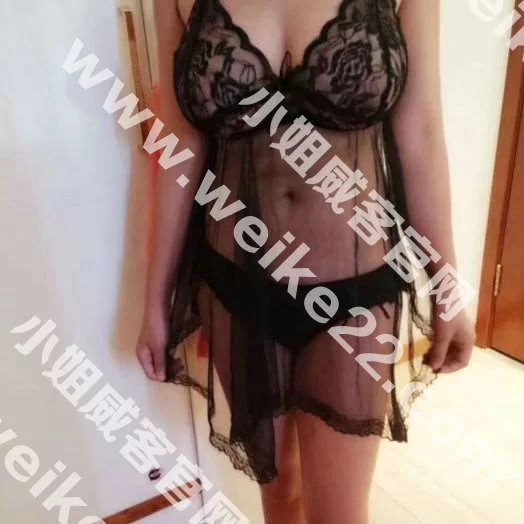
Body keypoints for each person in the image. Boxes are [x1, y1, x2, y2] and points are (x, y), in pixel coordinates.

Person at [136, 0, 475, 522]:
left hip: (356, 292)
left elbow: (422, 133)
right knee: (280, 499)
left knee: (338, 513)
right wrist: (155, 301)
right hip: (237, 287)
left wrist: (446, 287)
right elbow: (178, 141)